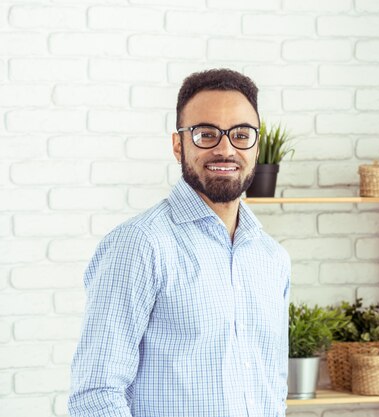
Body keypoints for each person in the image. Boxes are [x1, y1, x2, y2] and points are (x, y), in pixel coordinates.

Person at [69, 69, 291, 417]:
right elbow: (96, 394)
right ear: (178, 145)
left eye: (241, 134)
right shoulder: (139, 245)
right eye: (206, 134)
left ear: (256, 145)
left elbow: (272, 384)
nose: (225, 149)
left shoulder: (273, 258)